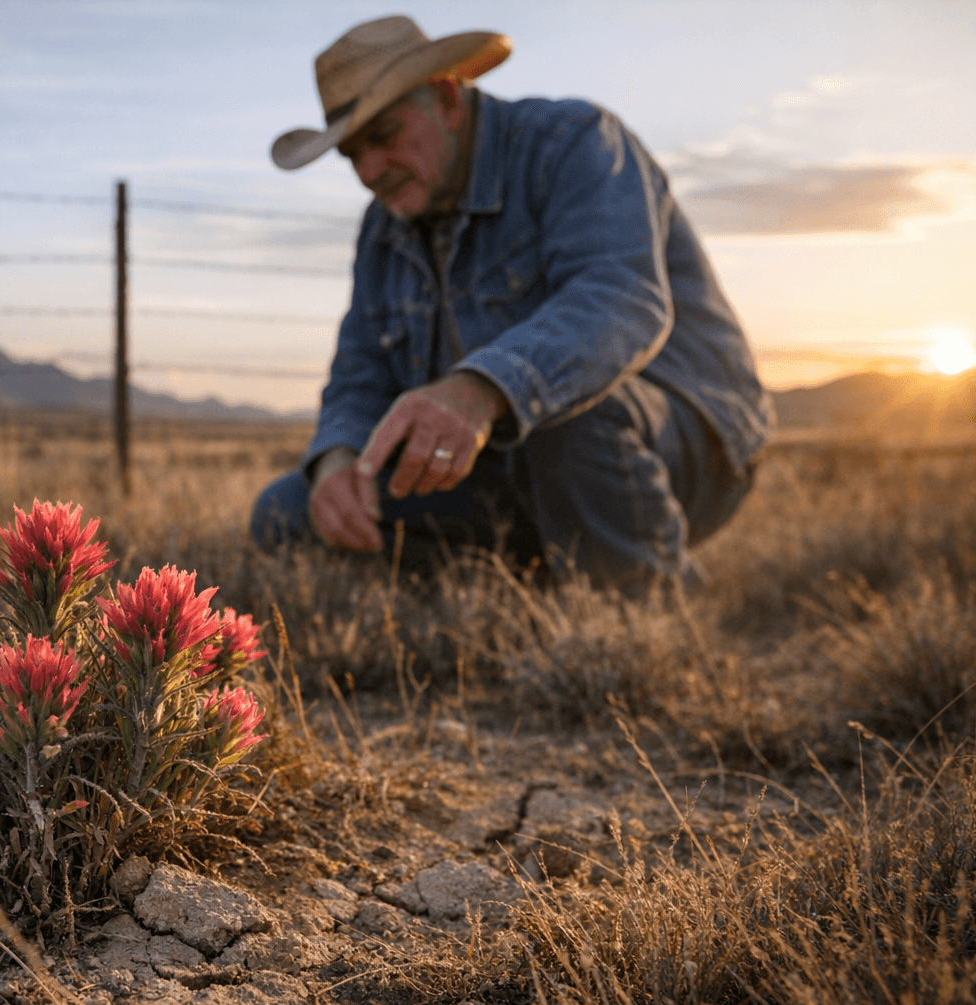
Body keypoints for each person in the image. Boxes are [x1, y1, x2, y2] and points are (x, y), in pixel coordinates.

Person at [250, 16, 772, 592]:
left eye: (384, 135)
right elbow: (360, 370)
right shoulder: (383, 229)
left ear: (447, 99)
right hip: (501, 467)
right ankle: (529, 579)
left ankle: (640, 617)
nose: (369, 172)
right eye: (351, 153)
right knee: (286, 513)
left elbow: (622, 299)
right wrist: (337, 461)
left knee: (558, 408)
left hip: (685, 447)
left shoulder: (573, 143)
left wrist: (478, 391)